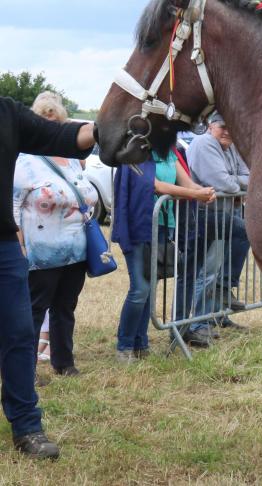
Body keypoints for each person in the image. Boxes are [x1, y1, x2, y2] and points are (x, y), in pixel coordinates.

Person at [1, 94, 95, 459]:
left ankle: (26, 426)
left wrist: (109, 128)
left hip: (3, 245)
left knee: (20, 332)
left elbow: (62, 138)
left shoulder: (6, 113)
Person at [13, 92, 98, 378]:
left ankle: (63, 362)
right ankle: (26, 368)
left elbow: (85, 192)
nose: (50, 125)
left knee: (65, 307)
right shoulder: (24, 160)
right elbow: (13, 204)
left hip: (75, 249)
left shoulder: (73, 158)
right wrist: (19, 244)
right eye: (44, 119)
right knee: (34, 311)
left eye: (55, 120)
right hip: (42, 251)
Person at [112, 145, 214, 363]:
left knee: (150, 288)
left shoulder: (169, 151)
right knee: (140, 289)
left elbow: (187, 182)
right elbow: (155, 186)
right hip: (139, 228)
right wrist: (195, 194)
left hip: (164, 226)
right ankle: (124, 345)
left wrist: (206, 191)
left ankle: (140, 343)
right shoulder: (135, 151)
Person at [184, 112, 251, 345]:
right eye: (223, 126)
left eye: (231, 125)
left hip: (225, 213)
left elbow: (249, 176)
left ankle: (216, 314)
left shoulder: (229, 145)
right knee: (207, 270)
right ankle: (198, 323)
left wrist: (234, 183)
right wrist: (235, 184)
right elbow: (224, 183)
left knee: (218, 266)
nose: (228, 130)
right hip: (205, 215)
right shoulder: (204, 143)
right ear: (210, 126)